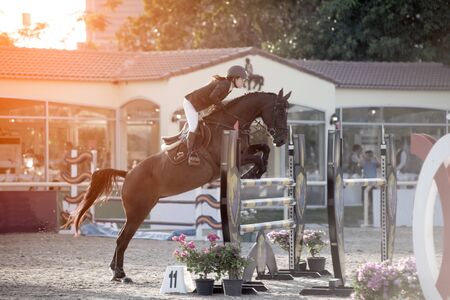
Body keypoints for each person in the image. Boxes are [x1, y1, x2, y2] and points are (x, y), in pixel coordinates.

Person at [183, 65, 248, 166]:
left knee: (205, 125)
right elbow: (212, 96)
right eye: (242, 79)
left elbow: (213, 99)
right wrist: (222, 106)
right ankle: (190, 154)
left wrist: (221, 108)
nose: (243, 82)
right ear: (235, 78)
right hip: (191, 103)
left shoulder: (229, 87)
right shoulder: (225, 84)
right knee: (193, 127)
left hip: (199, 105)